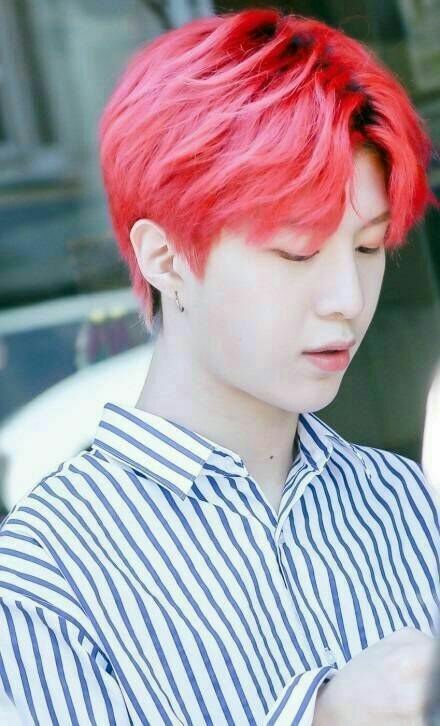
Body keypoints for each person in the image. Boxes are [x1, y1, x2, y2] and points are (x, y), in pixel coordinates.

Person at [1, 7, 439, 725]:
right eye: (296, 252)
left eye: (367, 248)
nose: (348, 299)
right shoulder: (45, 575)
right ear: (165, 257)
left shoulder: (404, 502)